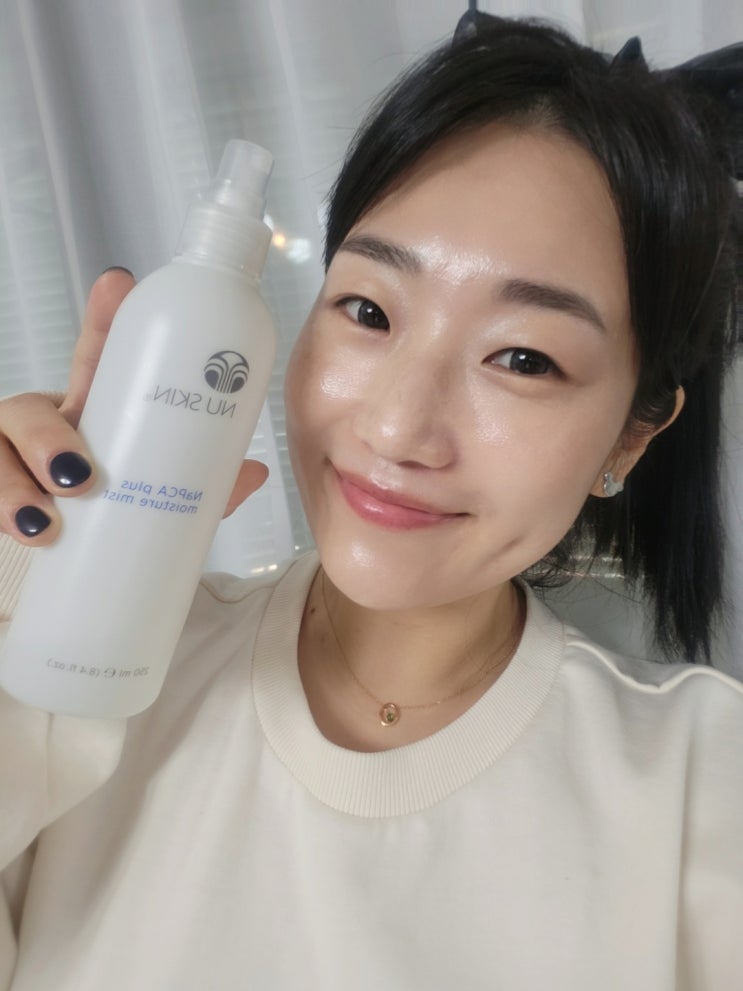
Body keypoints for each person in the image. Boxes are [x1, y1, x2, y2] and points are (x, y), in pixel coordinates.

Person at [0, 12, 741, 990]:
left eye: (522, 358)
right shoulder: (84, 673)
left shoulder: (703, 786)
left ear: (630, 436)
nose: (397, 428)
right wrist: (27, 585)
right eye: (367, 309)